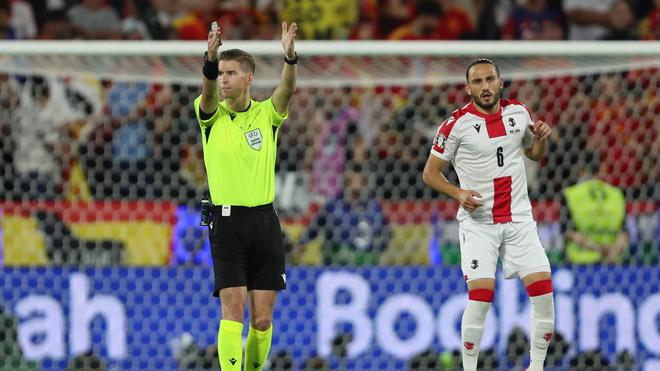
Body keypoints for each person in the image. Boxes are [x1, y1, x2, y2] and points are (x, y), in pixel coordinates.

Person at [422, 59, 554, 371]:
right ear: (468, 89)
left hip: (519, 219)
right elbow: (430, 174)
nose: (484, 87)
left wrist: (540, 140)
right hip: (480, 223)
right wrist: (459, 193)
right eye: (477, 82)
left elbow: (532, 155)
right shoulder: (454, 126)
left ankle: (535, 368)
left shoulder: (519, 113)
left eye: (489, 79)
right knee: (481, 296)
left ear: (500, 82)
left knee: (544, 294)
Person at [193, 20, 298, 371]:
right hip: (226, 222)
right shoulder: (209, 115)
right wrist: (210, 58)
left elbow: (286, 89)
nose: (223, 79)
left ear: (248, 78)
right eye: (220, 73)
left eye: (230, 73)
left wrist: (290, 58)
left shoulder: (267, 114)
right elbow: (207, 92)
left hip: (265, 221)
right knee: (233, 311)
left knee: (263, 320)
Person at [561, 151, 628, 264]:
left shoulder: (571, 194)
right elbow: (625, 234)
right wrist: (611, 253)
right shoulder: (616, 194)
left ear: (580, 169)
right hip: (612, 263)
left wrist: (598, 249)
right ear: (602, 169)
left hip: (580, 263)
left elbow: (568, 232)